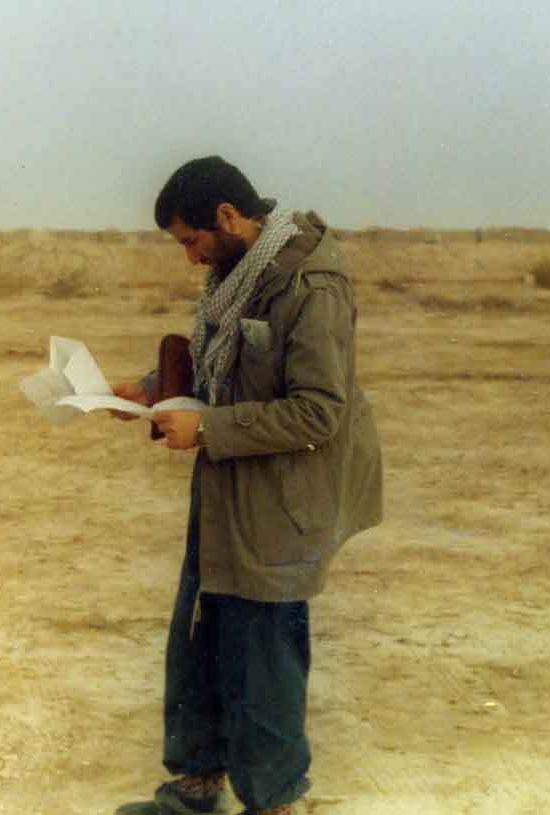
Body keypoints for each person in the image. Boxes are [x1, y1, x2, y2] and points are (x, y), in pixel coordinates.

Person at [112, 156, 383, 815]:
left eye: (192, 241)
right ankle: (196, 788)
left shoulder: (309, 284)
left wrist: (207, 428)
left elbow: (318, 412)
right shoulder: (236, 275)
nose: (189, 259)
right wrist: (149, 392)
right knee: (201, 636)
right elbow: (227, 369)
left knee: (264, 656)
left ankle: (273, 803)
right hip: (229, 486)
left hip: (282, 498)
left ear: (228, 217)